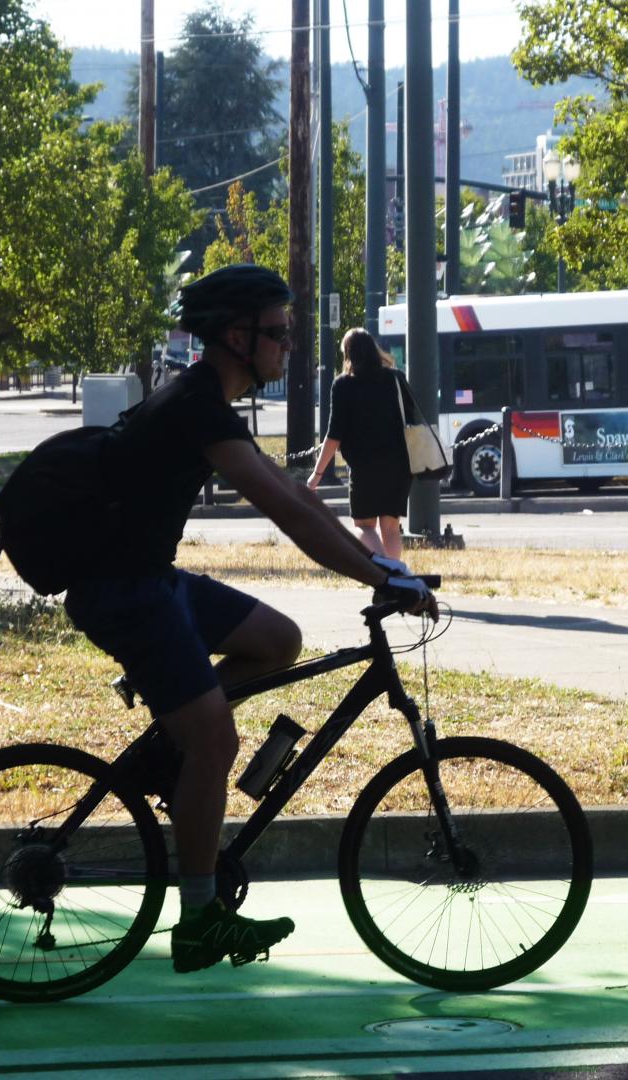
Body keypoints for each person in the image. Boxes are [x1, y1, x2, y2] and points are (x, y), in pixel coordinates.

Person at [62, 265, 434, 975]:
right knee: (217, 740)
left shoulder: (207, 400)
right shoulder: (196, 405)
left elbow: (297, 493)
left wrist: (385, 566)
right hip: (123, 592)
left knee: (278, 640)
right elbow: (287, 511)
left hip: (150, 580)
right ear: (239, 337)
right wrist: (382, 575)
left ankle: (175, 748)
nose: (289, 346)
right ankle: (200, 919)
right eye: (279, 333)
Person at [308, 328, 414, 560]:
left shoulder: (343, 385)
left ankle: (387, 572)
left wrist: (317, 474)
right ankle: (396, 573)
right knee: (391, 526)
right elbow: (411, 417)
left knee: (365, 526)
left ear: (349, 354)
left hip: (364, 467)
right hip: (399, 465)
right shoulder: (395, 378)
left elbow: (334, 436)